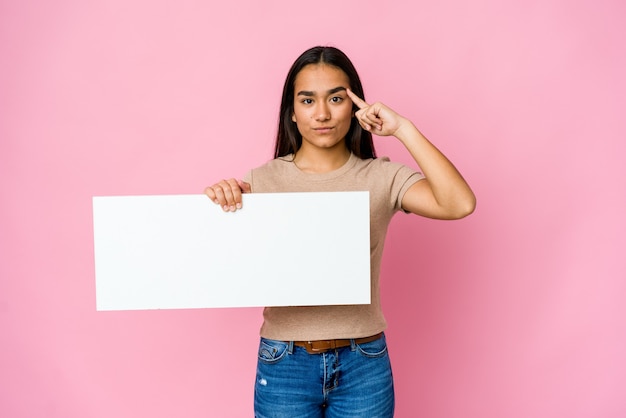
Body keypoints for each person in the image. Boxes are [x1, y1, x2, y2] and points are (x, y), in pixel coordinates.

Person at [204, 46, 475, 418]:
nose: (322, 114)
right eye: (308, 100)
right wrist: (222, 203)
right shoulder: (260, 181)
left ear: (355, 107)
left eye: (336, 98)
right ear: (293, 113)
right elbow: (225, 263)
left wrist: (403, 130)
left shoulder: (382, 176)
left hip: (363, 361)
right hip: (285, 361)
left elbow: (458, 203)